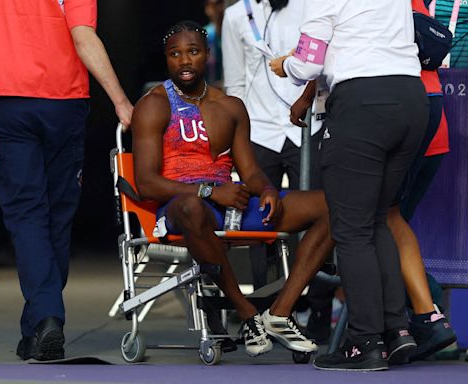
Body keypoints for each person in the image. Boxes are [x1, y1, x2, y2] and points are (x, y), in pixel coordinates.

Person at [131, 20, 334, 357]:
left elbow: (250, 170)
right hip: (184, 207)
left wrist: (267, 188)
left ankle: (280, 313)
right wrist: (208, 192)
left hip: (230, 206)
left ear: (207, 55)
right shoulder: (153, 104)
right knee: (191, 207)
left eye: (193, 52)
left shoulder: (230, 106)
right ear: (166, 59)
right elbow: (147, 182)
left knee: (333, 205)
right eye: (175, 54)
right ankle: (246, 312)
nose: (184, 61)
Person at [0, 0, 133, 361]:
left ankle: (42, 322)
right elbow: (84, 37)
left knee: (27, 214)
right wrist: (119, 99)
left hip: (7, 104)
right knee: (57, 214)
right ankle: (45, 319)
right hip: (63, 104)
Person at [270, 0, 429, 371]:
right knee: (375, 220)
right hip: (410, 98)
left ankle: (365, 343)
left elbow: (309, 63)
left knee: (352, 230)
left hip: (362, 104)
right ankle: (396, 332)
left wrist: (285, 65)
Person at [222, 1, 330, 318]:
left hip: (307, 127)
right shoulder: (235, 16)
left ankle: (319, 312)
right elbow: (235, 83)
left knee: (320, 217)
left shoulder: (311, 7)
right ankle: (260, 312)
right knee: (259, 225)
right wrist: (237, 137)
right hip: (257, 132)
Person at [385, 0, 457, 363]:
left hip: (405, 117)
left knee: (383, 221)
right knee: (387, 220)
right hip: (429, 121)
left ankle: (427, 317)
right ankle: (422, 319)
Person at [203, 0, 225, 86]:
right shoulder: (204, 35)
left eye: (220, 3)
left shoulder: (234, 30)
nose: (218, 9)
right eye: (214, 4)